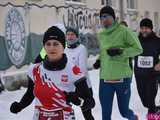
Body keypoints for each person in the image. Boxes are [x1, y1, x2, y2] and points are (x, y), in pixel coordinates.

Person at [10, 26, 95, 120]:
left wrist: (78, 100)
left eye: (56, 44)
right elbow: (30, 94)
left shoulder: (73, 71)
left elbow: (90, 102)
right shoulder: (34, 70)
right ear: (44, 47)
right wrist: (19, 106)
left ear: (63, 47)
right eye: (48, 44)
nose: (51, 47)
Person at [97, 6, 143, 120]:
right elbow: (103, 52)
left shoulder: (124, 31)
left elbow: (138, 49)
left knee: (124, 112)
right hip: (105, 79)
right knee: (105, 114)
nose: (104, 19)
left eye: (106, 16)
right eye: (102, 17)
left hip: (122, 79)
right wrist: (99, 60)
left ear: (113, 17)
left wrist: (121, 52)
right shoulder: (101, 34)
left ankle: (133, 117)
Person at [65, 27, 95, 120]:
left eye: (72, 35)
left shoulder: (81, 49)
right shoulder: (64, 49)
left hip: (83, 86)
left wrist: (68, 72)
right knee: (66, 113)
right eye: (68, 35)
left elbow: (82, 70)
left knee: (87, 114)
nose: (70, 37)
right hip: (68, 88)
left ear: (77, 36)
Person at [134, 18, 160, 118]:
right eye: (142, 28)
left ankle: (152, 116)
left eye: (146, 28)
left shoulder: (157, 41)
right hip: (139, 76)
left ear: (151, 29)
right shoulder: (135, 41)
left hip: (152, 76)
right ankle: (156, 110)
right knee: (145, 102)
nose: (144, 30)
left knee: (150, 99)